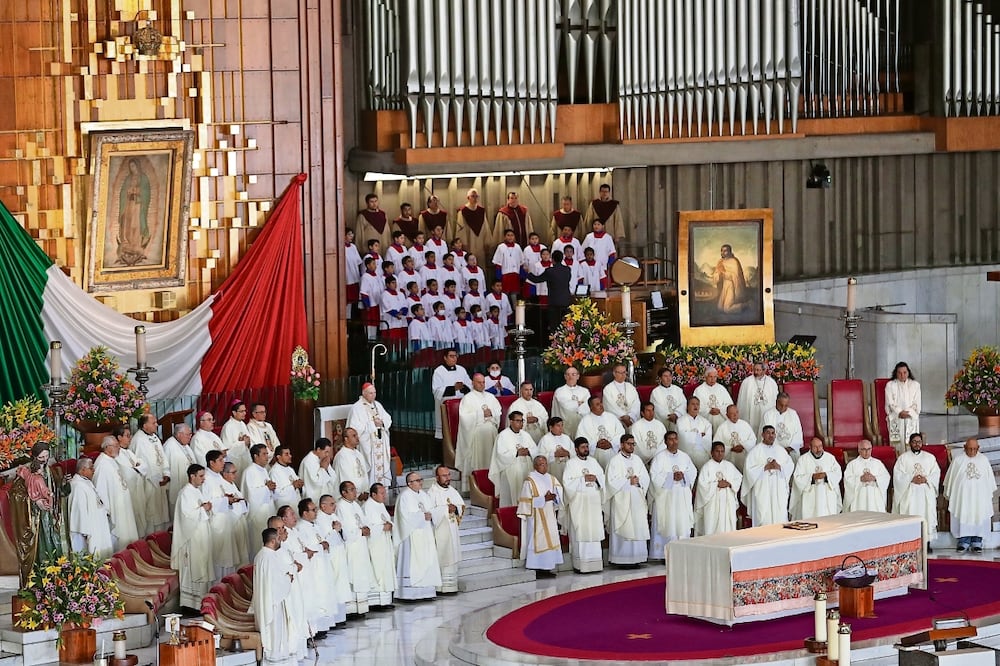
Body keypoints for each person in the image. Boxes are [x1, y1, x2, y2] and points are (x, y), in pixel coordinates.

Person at [11, 443, 65, 584]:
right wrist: (35, 502)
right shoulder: (26, 472)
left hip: (49, 516)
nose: (44, 460)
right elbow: (16, 494)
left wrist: (63, 485)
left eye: (47, 456)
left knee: (53, 544)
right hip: (35, 520)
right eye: (41, 457)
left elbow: (56, 489)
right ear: (34, 457)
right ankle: (40, 580)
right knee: (41, 548)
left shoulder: (49, 471)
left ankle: (56, 578)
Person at [253, 527, 303, 666]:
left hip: (267, 599)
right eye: (279, 539)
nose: (280, 541)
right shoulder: (269, 557)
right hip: (273, 601)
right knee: (275, 629)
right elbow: (276, 581)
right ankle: (274, 655)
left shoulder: (260, 555)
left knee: (274, 629)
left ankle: (276, 654)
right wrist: (289, 578)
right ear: (273, 540)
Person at [393, 473, 442, 600]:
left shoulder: (424, 495)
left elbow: (431, 510)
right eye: (417, 480)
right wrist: (421, 517)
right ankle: (410, 593)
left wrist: (431, 515)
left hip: (425, 534)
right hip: (411, 536)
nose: (421, 482)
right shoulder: (404, 496)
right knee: (412, 563)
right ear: (409, 483)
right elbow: (404, 517)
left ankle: (427, 592)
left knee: (427, 560)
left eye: (421, 479)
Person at [172, 464, 214, 611]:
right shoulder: (185, 493)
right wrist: (204, 509)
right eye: (201, 476)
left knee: (202, 565)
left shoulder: (196, 491)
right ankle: (191, 606)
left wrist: (206, 508)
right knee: (194, 567)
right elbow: (187, 517)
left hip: (201, 535)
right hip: (192, 539)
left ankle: (201, 602)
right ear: (192, 476)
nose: (204, 479)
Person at [944, 438, 997, 553]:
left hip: (979, 498)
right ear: (964, 447)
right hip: (963, 498)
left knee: (979, 515)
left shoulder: (983, 460)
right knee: (963, 515)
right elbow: (951, 480)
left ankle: (977, 542)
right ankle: (963, 541)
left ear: (978, 448)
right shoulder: (958, 460)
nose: (972, 451)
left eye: (974, 449)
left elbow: (989, 482)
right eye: (969, 449)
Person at [648, 431, 696, 556]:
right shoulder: (659, 457)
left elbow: (693, 472)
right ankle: (665, 554)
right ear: (665, 442)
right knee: (668, 522)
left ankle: (682, 552)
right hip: (667, 498)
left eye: (675, 439)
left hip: (681, 496)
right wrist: (671, 477)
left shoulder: (685, 457)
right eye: (670, 439)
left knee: (681, 522)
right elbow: (654, 476)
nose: (673, 442)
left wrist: (683, 476)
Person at [562, 438, 606, 573]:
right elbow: (567, 483)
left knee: (594, 531)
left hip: (593, 503)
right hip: (579, 505)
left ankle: (595, 564)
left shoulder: (593, 462)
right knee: (581, 531)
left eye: (587, 446)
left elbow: (603, 479)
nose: (586, 449)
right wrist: (583, 479)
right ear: (576, 449)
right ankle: (581, 565)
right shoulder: (571, 464)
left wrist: (597, 479)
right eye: (583, 447)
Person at [605, 435, 650, 565]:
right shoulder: (614, 461)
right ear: (621, 445)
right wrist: (627, 482)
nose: (631, 446)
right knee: (624, 525)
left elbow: (645, 478)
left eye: (633, 444)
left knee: (637, 526)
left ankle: (637, 558)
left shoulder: (637, 460)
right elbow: (610, 482)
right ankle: (621, 559)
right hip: (621, 501)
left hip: (636, 498)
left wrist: (638, 481)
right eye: (628, 443)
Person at [893, 433, 941, 551]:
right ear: (910, 443)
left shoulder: (930, 457)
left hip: (925, 492)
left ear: (922, 443)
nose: (917, 444)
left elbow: (936, 473)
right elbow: (898, 475)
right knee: (911, 515)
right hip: (910, 493)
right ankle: (911, 544)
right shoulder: (903, 458)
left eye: (919, 442)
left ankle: (926, 543)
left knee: (926, 516)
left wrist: (926, 479)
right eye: (914, 442)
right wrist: (910, 478)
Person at [517, 456, 564, 576]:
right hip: (536, 517)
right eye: (541, 464)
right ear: (535, 466)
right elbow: (526, 502)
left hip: (549, 515)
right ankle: (537, 568)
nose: (544, 466)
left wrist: (555, 496)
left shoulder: (551, 478)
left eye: (545, 464)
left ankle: (548, 568)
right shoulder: (530, 481)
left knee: (551, 539)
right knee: (538, 540)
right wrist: (543, 499)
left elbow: (559, 492)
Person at [455, 372, 502, 486]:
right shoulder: (467, 399)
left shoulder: (490, 397)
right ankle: (477, 483)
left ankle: (492, 482)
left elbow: (498, 412)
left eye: (483, 382)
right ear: (473, 383)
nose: (482, 385)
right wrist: (481, 414)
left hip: (491, 430)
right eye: (479, 382)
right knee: (483, 432)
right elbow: (465, 418)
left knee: (491, 431)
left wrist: (492, 413)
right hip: (475, 432)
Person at [741, 425, 793, 526]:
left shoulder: (781, 450)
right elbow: (749, 470)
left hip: (778, 488)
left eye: (773, 433)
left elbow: (790, 465)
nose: (771, 435)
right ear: (762, 435)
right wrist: (764, 467)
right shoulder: (755, 451)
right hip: (762, 489)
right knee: (763, 517)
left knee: (780, 515)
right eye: (768, 433)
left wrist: (779, 467)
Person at [93, 436, 139, 549]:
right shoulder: (102, 464)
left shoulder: (111, 460)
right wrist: (108, 511)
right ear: (108, 447)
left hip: (122, 507)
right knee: (119, 540)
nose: (119, 448)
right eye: (116, 446)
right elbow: (100, 490)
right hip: (115, 510)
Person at [201, 450, 241, 578]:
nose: (223, 463)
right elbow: (207, 501)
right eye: (220, 460)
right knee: (219, 556)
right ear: (211, 463)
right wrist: (225, 500)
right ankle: (218, 584)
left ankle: (228, 583)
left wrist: (228, 498)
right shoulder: (206, 478)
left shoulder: (218, 476)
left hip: (225, 520)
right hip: (216, 521)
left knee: (228, 555)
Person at [337, 481, 374, 614]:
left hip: (360, 544)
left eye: (355, 489)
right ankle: (351, 609)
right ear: (343, 492)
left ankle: (361, 607)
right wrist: (359, 532)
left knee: (361, 573)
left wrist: (367, 528)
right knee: (352, 573)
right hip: (351, 545)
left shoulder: (356, 505)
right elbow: (345, 528)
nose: (355, 492)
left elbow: (364, 520)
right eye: (351, 489)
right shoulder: (340, 506)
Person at [426, 466, 465, 593]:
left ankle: (451, 586)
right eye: (444, 476)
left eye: (449, 475)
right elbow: (429, 513)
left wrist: (457, 508)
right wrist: (445, 509)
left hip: (452, 529)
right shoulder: (432, 493)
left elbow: (461, 506)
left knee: (452, 555)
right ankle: (440, 587)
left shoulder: (452, 490)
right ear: (437, 477)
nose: (448, 478)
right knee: (443, 555)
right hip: (440, 531)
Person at [347, 383, 393, 487]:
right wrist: (372, 425)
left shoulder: (377, 405)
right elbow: (354, 429)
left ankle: (382, 490)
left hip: (380, 443)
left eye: (374, 393)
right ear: (364, 393)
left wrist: (382, 422)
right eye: (370, 393)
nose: (373, 395)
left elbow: (388, 418)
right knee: (370, 472)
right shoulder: (357, 408)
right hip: (368, 445)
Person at [489, 411, 538, 507]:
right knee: (510, 500)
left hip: (526, 469)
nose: (520, 423)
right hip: (509, 469)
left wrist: (528, 451)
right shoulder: (503, 435)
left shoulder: (526, 435)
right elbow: (500, 455)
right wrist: (516, 453)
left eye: (522, 421)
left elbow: (535, 450)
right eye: (517, 421)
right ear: (511, 421)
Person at [67, 457, 113, 560]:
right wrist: (85, 531)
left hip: (96, 525)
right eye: (91, 468)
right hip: (87, 530)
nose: (94, 470)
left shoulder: (86, 482)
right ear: (83, 470)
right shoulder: (77, 486)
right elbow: (79, 511)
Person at [132, 413, 171, 532]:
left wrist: (166, 474)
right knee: (151, 510)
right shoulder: (138, 440)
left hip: (160, 481)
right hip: (148, 482)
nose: (157, 425)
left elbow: (162, 457)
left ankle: (161, 536)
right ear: (145, 426)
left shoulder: (154, 437)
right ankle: (151, 537)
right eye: (153, 423)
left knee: (161, 509)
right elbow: (140, 464)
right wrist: (155, 479)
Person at [695, 442, 743, 536]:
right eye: (717, 451)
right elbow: (702, 486)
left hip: (727, 502)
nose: (720, 453)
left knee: (727, 529)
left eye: (722, 451)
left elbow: (738, 478)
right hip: (712, 504)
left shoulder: (729, 465)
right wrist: (717, 484)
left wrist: (729, 483)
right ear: (711, 452)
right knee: (711, 528)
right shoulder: (707, 467)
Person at [790, 438, 843, 520]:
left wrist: (826, 475)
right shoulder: (803, 459)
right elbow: (797, 477)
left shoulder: (830, 458)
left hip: (827, 494)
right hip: (810, 495)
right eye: (815, 447)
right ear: (810, 447)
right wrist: (812, 477)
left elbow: (837, 473)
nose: (818, 449)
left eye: (820, 446)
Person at [112, 425, 150, 537]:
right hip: (131, 493)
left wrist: (137, 468)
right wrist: (137, 468)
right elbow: (127, 473)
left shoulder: (128, 452)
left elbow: (144, 465)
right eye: (127, 436)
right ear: (119, 437)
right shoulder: (117, 455)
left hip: (139, 491)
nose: (130, 438)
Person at [525, 249, 573, 338]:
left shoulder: (549, 271)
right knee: (566, 326)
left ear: (552, 259)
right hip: (566, 301)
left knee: (554, 326)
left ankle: (555, 346)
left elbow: (537, 279)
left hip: (554, 302)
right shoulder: (567, 270)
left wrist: (528, 272)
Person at [364, 483, 396, 608]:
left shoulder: (380, 505)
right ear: (373, 494)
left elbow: (387, 520)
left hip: (384, 541)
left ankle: (386, 600)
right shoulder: (367, 507)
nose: (385, 495)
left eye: (385, 492)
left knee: (386, 568)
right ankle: (376, 602)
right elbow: (367, 527)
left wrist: (389, 525)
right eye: (382, 493)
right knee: (377, 568)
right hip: (375, 544)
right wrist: (382, 527)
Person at [116, 157, 152, 265]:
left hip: (138, 206)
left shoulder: (144, 178)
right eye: (130, 166)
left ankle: (136, 245)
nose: (132, 168)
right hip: (128, 205)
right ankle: (127, 244)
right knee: (127, 224)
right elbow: (122, 192)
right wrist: (127, 191)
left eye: (133, 166)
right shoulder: (128, 179)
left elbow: (146, 192)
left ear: (137, 166)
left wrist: (137, 191)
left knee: (135, 225)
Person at [431, 349, 472, 439]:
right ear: (445, 358)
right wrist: (453, 388)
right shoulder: (439, 371)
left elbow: (470, 386)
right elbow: (437, 391)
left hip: (461, 406)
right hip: (446, 407)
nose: (454, 358)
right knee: (448, 433)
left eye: (455, 356)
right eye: (451, 356)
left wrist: (463, 387)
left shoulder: (461, 370)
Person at [576, 395, 626, 470]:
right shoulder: (585, 421)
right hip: (596, 455)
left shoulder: (611, 417)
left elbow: (621, 433)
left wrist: (611, 443)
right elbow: (580, 439)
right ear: (591, 407)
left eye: (601, 403)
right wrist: (596, 444)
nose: (601, 405)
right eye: (597, 404)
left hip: (612, 452)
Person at [241, 444, 277, 548]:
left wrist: (272, 488)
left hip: (268, 511)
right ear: (256, 456)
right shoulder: (249, 472)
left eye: (267, 453)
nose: (267, 456)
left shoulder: (264, 470)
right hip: (257, 514)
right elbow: (251, 494)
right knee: (258, 543)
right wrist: (267, 488)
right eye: (264, 454)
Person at [843, 440, 890, 513]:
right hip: (859, 497)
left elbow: (886, 477)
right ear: (859, 450)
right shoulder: (852, 464)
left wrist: (875, 478)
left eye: (869, 449)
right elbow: (847, 479)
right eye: (864, 449)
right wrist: (860, 479)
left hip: (874, 497)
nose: (867, 452)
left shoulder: (878, 463)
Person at [885, 361, 921, 455]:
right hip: (896, 418)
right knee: (897, 444)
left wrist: (907, 413)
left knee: (911, 442)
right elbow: (890, 403)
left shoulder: (915, 385)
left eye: (904, 372)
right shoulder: (890, 385)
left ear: (908, 372)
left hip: (910, 417)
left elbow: (917, 403)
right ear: (896, 373)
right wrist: (899, 412)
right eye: (899, 373)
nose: (902, 375)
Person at [219, 462, 251, 567]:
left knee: (243, 550)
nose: (235, 475)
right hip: (233, 522)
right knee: (237, 551)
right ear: (224, 474)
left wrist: (244, 503)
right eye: (233, 473)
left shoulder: (232, 484)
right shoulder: (222, 486)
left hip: (240, 520)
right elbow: (226, 506)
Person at [453, 188, 496, 263]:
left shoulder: (481, 211)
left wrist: (487, 241)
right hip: (469, 239)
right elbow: (460, 229)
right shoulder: (463, 211)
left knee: (481, 260)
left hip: (480, 240)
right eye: (473, 196)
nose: (475, 198)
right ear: (468, 198)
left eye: (476, 196)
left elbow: (485, 226)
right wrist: (463, 243)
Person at [163, 423, 197, 515]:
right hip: (177, 484)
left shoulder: (184, 444)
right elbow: (165, 467)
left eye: (190, 434)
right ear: (179, 434)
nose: (190, 437)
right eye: (188, 434)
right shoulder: (169, 446)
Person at [736, 362, 779, 435]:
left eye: (758, 370)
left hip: (766, 413)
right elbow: (742, 401)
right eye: (754, 370)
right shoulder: (747, 382)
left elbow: (775, 400)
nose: (755, 372)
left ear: (764, 370)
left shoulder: (771, 383)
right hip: (751, 413)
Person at [759, 392, 804, 462]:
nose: (783, 408)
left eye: (786, 406)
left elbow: (798, 433)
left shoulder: (793, 414)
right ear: (776, 402)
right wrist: (778, 450)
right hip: (773, 451)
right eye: (781, 405)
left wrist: (789, 449)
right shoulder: (768, 414)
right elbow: (766, 435)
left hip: (791, 451)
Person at [713, 405, 757, 472]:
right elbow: (716, 444)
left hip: (743, 457)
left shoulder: (745, 424)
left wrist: (743, 446)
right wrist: (730, 448)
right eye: (732, 414)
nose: (735, 415)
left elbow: (753, 439)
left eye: (736, 412)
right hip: (730, 458)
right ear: (727, 415)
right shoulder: (722, 427)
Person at [552, 367, 591, 438]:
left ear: (578, 376)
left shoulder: (585, 391)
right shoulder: (560, 391)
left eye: (573, 374)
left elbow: (588, 405)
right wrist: (578, 403)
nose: (570, 377)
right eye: (568, 375)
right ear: (565, 377)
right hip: (565, 425)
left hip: (581, 423)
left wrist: (577, 405)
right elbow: (566, 405)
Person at [675, 396, 713, 469]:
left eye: (697, 404)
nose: (695, 406)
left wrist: (692, 435)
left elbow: (708, 437)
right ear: (687, 406)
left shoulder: (705, 422)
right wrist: (699, 436)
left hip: (701, 453)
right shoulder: (681, 421)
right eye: (693, 404)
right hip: (686, 452)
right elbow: (683, 436)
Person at [220, 400, 253, 483]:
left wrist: (247, 442)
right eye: (241, 411)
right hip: (235, 463)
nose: (244, 413)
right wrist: (242, 443)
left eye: (245, 411)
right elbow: (227, 450)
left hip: (245, 460)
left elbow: (248, 442)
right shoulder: (228, 426)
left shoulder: (242, 424)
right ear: (234, 413)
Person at [333, 428, 370, 501]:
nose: (357, 438)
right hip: (350, 496)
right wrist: (357, 494)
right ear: (346, 439)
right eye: (354, 436)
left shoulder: (358, 454)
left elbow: (364, 473)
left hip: (362, 495)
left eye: (357, 435)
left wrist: (366, 490)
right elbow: (345, 477)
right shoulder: (342, 456)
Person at [693, 367, 733, 432]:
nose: (712, 379)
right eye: (710, 377)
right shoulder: (699, 390)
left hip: (720, 420)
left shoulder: (721, 389)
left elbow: (729, 405)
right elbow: (695, 406)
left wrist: (720, 410)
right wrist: (708, 410)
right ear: (705, 377)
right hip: (705, 420)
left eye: (715, 377)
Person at [537, 416, 575, 483]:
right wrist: (554, 454)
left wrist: (568, 453)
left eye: (562, 425)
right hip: (552, 470)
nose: (561, 428)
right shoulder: (545, 439)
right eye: (558, 426)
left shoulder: (566, 438)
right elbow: (539, 457)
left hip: (566, 469)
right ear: (551, 427)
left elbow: (575, 451)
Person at [603, 364, 640, 431]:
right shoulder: (608, 389)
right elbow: (610, 407)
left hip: (632, 420)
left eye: (624, 372)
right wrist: (624, 418)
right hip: (617, 421)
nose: (623, 375)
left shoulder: (630, 387)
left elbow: (636, 403)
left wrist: (630, 416)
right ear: (614, 373)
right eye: (620, 373)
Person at [299, 438, 337, 503]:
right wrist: (323, 469)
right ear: (318, 449)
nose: (327, 455)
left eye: (328, 452)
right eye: (326, 452)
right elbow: (315, 482)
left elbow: (334, 477)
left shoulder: (323, 458)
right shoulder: (309, 461)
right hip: (314, 499)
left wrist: (326, 468)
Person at [651, 367, 686, 432]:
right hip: (664, 422)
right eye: (665, 376)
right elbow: (657, 409)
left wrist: (676, 414)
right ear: (660, 378)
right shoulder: (656, 392)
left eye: (670, 376)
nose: (668, 378)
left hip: (677, 419)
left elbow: (684, 404)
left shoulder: (678, 390)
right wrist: (669, 417)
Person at [715, 244, 748, 313]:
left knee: (727, 309)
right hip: (725, 285)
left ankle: (746, 305)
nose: (723, 253)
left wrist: (723, 272)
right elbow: (716, 274)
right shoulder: (721, 262)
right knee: (719, 308)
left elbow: (735, 276)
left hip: (732, 285)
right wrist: (718, 274)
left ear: (729, 252)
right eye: (722, 251)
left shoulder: (734, 261)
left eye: (725, 251)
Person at [492, 229, 525, 297]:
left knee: (514, 293)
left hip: (515, 274)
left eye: (512, 235)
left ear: (514, 237)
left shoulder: (517, 247)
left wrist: (522, 274)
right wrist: (498, 277)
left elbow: (521, 262)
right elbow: (498, 263)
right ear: (504, 237)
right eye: (508, 235)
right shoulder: (501, 247)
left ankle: (514, 307)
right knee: (505, 293)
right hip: (505, 274)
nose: (510, 237)